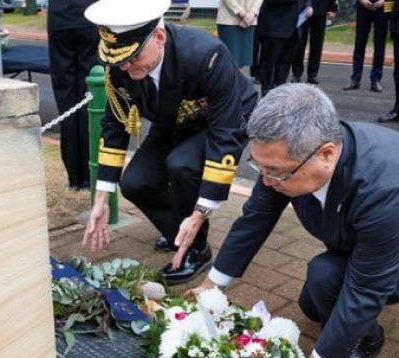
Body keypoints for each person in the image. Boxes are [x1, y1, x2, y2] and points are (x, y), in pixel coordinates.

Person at [195, 84, 399, 358]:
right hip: (370, 239)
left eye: (275, 172)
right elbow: (255, 217)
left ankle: (367, 341)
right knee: (314, 305)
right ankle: (345, 319)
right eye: (260, 167)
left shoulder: (388, 188)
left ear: (326, 153)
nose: (266, 181)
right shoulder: (290, 156)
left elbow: (367, 289)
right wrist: (210, 286)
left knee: (326, 276)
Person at [81, 0, 258, 285]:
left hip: (223, 116)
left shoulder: (205, 54)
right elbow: (115, 125)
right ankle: (177, 228)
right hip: (172, 120)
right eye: (117, 60)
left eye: (132, 58)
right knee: (136, 183)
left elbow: (225, 133)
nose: (125, 68)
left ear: (159, 38)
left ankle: (197, 248)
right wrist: (101, 198)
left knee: (182, 166)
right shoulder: (120, 65)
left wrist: (201, 212)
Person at [47, 0, 99, 189]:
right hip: (89, 17)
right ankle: (88, 174)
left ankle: (75, 177)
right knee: (91, 98)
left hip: (60, 20)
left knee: (67, 101)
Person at [256, 0, 312, 95]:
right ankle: (266, 93)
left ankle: (279, 92)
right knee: (268, 63)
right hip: (274, 26)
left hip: (295, 27)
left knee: (285, 64)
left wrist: (308, 5)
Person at [343, 0, 389, 92]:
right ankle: (355, 78)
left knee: (380, 45)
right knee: (359, 43)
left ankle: (376, 79)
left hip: (383, 7)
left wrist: (384, 1)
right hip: (363, 6)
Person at [291, 0, 337, 84]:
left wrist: (332, 8)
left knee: (317, 44)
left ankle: (312, 75)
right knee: (299, 43)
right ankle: (296, 73)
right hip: (302, 9)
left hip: (321, 9)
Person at [216, 0, 264, 70]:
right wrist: (242, 13)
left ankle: (236, 80)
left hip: (250, 20)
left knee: (241, 61)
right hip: (229, 19)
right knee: (229, 61)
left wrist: (253, 12)